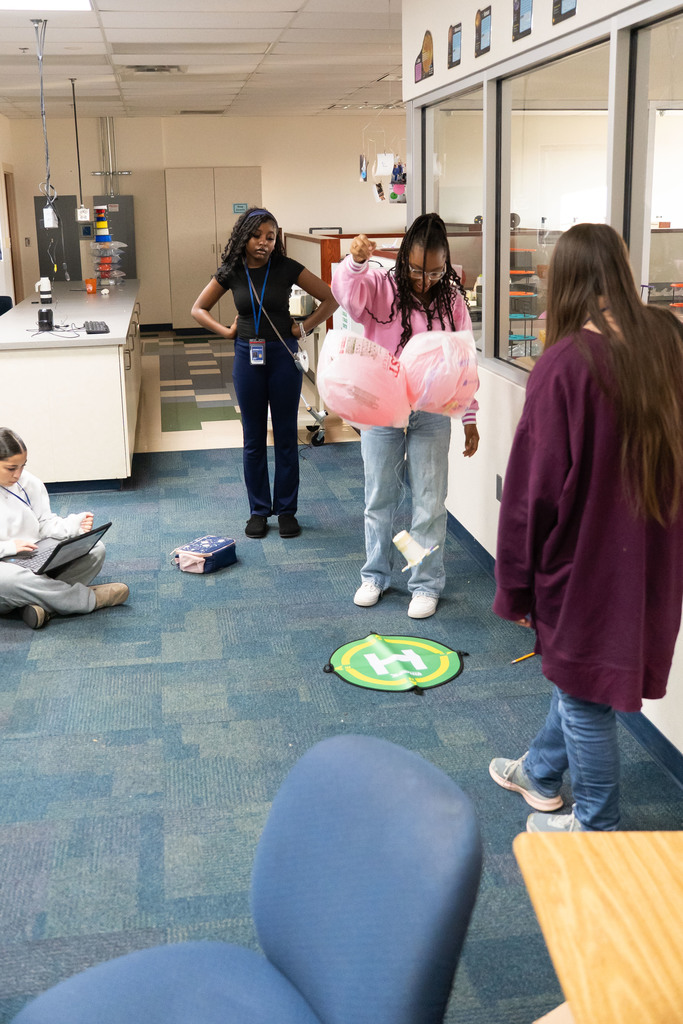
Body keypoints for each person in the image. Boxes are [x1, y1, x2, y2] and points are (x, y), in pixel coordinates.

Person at [489, 222, 683, 833]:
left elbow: (530, 495)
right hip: (654, 555)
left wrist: (515, 587)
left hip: (586, 564)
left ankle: (597, 829)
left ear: (566, 281)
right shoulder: (669, 338)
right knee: (582, 672)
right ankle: (540, 774)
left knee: (580, 687)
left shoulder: (566, 363)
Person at [331, 212, 479, 619]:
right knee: (380, 497)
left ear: (446, 264)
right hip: (382, 409)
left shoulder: (452, 301)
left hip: (431, 412)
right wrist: (356, 262)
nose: (423, 279)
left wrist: (469, 418)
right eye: (415, 268)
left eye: (434, 271)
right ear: (402, 259)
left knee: (429, 502)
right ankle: (375, 575)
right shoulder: (382, 286)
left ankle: (425, 582)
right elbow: (348, 295)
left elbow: (464, 365)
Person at [191, 207, 338, 539]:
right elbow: (198, 309)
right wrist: (227, 332)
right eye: (257, 236)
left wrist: (304, 328)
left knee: (286, 436)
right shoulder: (232, 271)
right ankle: (258, 510)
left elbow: (331, 298)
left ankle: (286, 510)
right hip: (247, 357)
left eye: (270, 237)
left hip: (283, 357)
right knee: (253, 438)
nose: (263, 243)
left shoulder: (286, 268)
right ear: (244, 237)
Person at [0, 428, 129, 630]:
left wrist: (72, 526)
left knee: (95, 549)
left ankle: (40, 603)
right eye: (11, 468)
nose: (18, 474)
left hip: (34, 555)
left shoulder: (29, 482)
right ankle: (88, 600)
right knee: (7, 580)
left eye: (22, 466)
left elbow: (44, 523)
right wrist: (9, 548)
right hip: (5, 565)